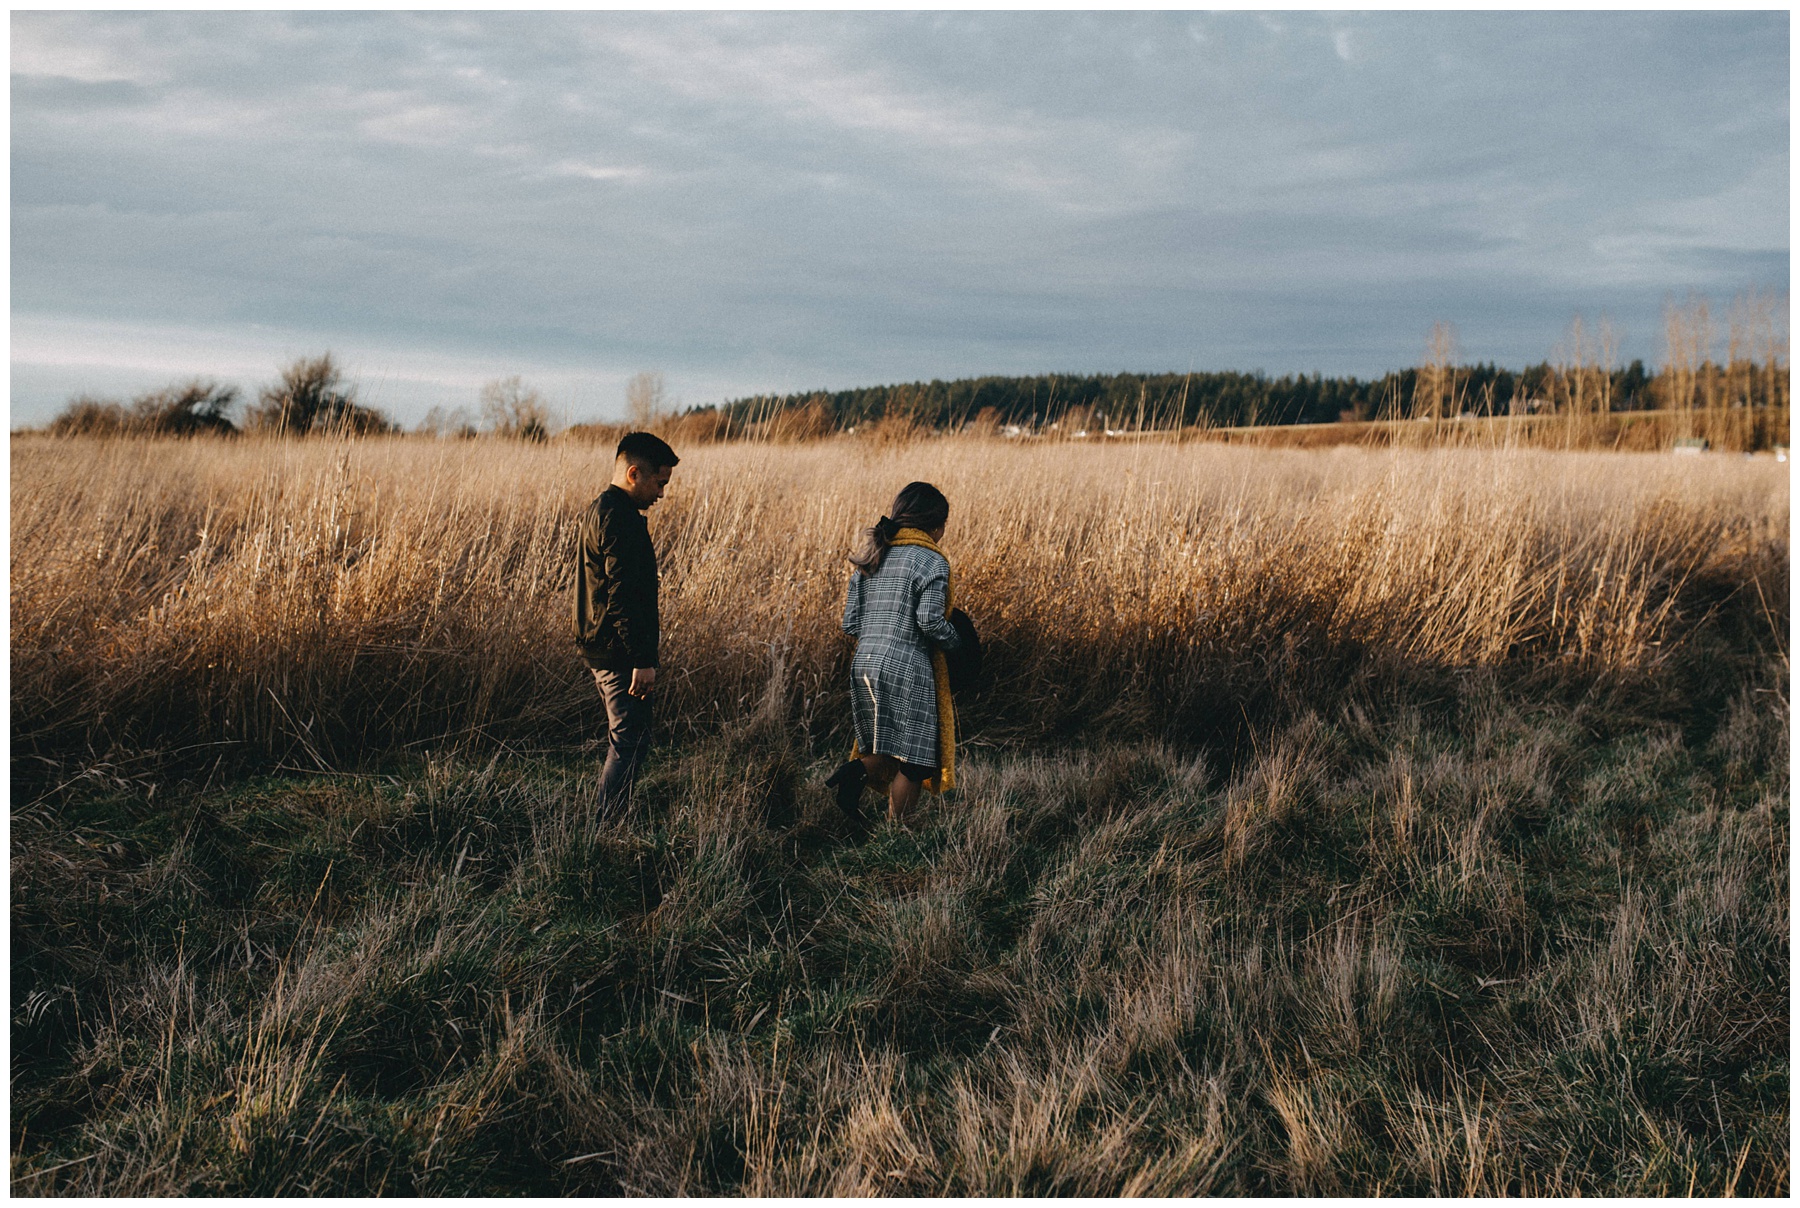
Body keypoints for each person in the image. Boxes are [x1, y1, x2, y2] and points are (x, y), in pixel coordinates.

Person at [825, 481, 962, 827]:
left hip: (865, 663)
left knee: (884, 746)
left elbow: (850, 623)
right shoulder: (932, 560)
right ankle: (900, 831)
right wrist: (956, 641)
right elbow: (930, 621)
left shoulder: (874, 552)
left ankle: (852, 773)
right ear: (935, 526)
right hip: (908, 666)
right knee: (916, 759)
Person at [574, 431, 679, 814]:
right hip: (618, 652)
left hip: (605, 645)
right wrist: (641, 659)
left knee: (627, 737)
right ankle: (606, 827)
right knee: (629, 739)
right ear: (634, 473)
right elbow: (622, 595)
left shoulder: (602, 509)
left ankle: (608, 821)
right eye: (659, 482)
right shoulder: (618, 518)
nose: (662, 493)